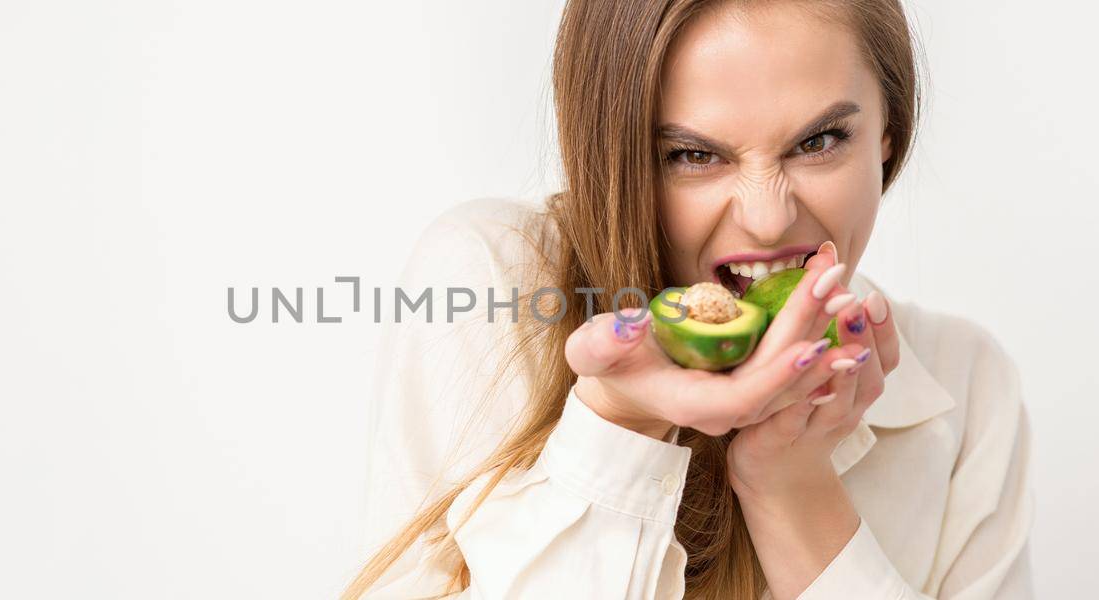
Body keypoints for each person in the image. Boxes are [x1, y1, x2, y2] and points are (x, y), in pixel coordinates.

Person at [348, 0, 1033, 597]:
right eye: (693, 156)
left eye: (819, 141)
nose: (768, 220)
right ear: (614, 155)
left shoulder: (964, 384)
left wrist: (789, 488)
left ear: (886, 133)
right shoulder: (494, 286)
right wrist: (619, 423)